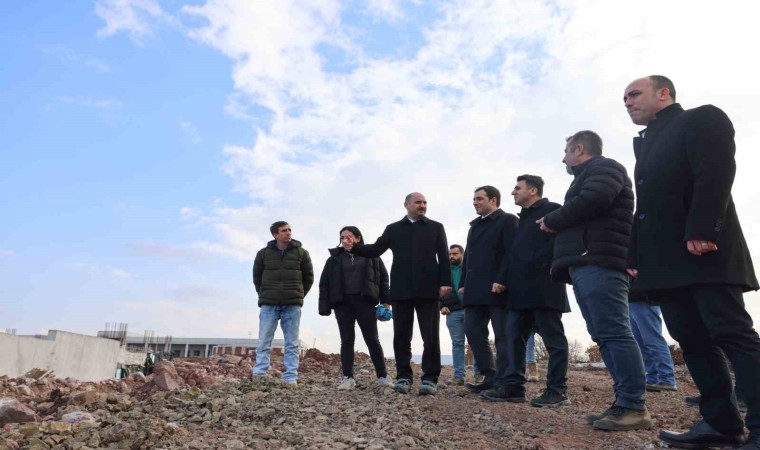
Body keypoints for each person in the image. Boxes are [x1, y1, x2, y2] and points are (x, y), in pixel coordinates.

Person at [623, 75, 760, 449]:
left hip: (704, 250)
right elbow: (646, 206)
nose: (628, 102)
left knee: (731, 332)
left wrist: (703, 229)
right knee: (692, 339)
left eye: (634, 94)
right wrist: (635, 255)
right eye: (624, 98)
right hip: (665, 262)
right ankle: (721, 424)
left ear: (663, 93)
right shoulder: (647, 143)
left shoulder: (701, 118)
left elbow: (715, 173)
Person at [538, 131, 651, 431]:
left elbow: (595, 199)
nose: (563, 159)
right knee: (604, 334)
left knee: (614, 332)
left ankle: (634, 406)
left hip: (600, 261)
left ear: (579, 149)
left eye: (566, 152)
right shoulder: (589, 175)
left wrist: (552, 220)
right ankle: (624, 402)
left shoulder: (605, 167)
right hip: (587, 262)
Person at [350, 192, 452, 395]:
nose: (422, 205)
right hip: (401, 290)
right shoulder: (393, 229)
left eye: (425, 202)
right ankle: (403, 377)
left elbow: (444, 257)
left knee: (430, 336)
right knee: (401, 336)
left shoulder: (436, 227)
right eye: (418, 202)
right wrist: (354, 247)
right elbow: (376, 249)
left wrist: (445, 283)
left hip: (428, 289)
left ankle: (430, 379)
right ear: (406, 205)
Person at [504, 174, 571, 407]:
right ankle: (513, 388)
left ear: (532, 190)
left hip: (545, 287)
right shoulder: (521, 219)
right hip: (520, 291)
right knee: (514, 338)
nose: (513, 192)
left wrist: (534, 263)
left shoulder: (553, 210)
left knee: (554, 340)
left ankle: (557, 390)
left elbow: (559, 242)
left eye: (517, 188)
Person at [458, 186, 519, 402]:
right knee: (473, 332)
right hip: (474, 290)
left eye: (479, 199)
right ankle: (490, 375)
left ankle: (504, 380)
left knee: (502, 336)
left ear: (493, 200)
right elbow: (468, 258)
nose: (475, 202)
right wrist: (463, 283)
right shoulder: (474, 226)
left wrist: (502, 279)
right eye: (474, 199)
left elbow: (512, 253)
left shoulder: (508, 220)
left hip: (498, 288)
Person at [318, 226, 392, 389]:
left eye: (349, 236)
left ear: (358, 238)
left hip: (365, 302)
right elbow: (324, 283)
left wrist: (386, 302)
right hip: (343, 304)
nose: (345, 240)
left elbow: (384, 279)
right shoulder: (334, 259)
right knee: (346, 340)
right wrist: (324, 307)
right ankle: (347, 378)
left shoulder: (372, 256)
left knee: (372, 339)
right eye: (342, 237)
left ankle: (382, 376)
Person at [252, 221, 314, 386]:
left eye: (289, 230)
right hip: (269, 304)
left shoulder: (302, 253)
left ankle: (290, 378)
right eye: (284, 230)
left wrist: (298, 295)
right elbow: (257, 278)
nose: (288, 233)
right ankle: (259, 374)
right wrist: (265, 294)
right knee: (264, 341)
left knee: (292, 343)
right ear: (275, 235)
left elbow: (308, 278)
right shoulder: (263, 254)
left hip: (292, 305)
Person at [440, 244, 481, 385]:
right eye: (450, 254)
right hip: (453, 312)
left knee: (476, 341)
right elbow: (438, 290)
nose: (452, 256)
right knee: (457, 343)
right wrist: (441, 306)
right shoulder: (444, 272)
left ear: (462, 255)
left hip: (471, 309)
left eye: (455, 254)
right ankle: (459, 376)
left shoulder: (470, 269)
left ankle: (479, 374)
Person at [627, 283, 676, 393]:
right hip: (631, 299)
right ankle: (653, 378)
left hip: (645, 299)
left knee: (652, 340)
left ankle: (667, 378)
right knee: (641, 343)